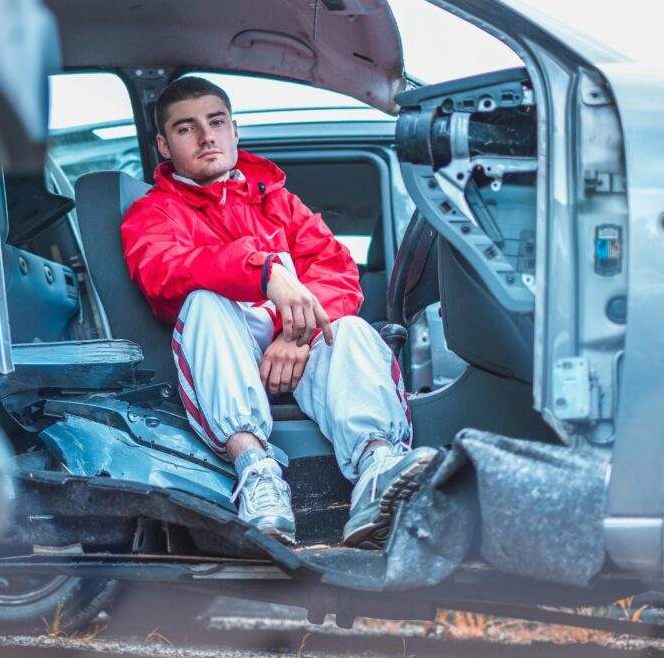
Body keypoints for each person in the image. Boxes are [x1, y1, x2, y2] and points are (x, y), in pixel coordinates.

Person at [121, 77, 437, 548]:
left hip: (295, 351)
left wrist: (293, 336)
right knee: (204, 302)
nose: (206, 137)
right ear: (165, 146)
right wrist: (263, 270)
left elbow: (338, 272)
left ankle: (376, 469)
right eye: (186, 129)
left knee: (350, 328)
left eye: (216, 122)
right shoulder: (154, 213)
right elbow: (164, 276)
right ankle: (257, 473)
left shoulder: (279, 202)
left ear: (235, 130)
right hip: (224, 359)